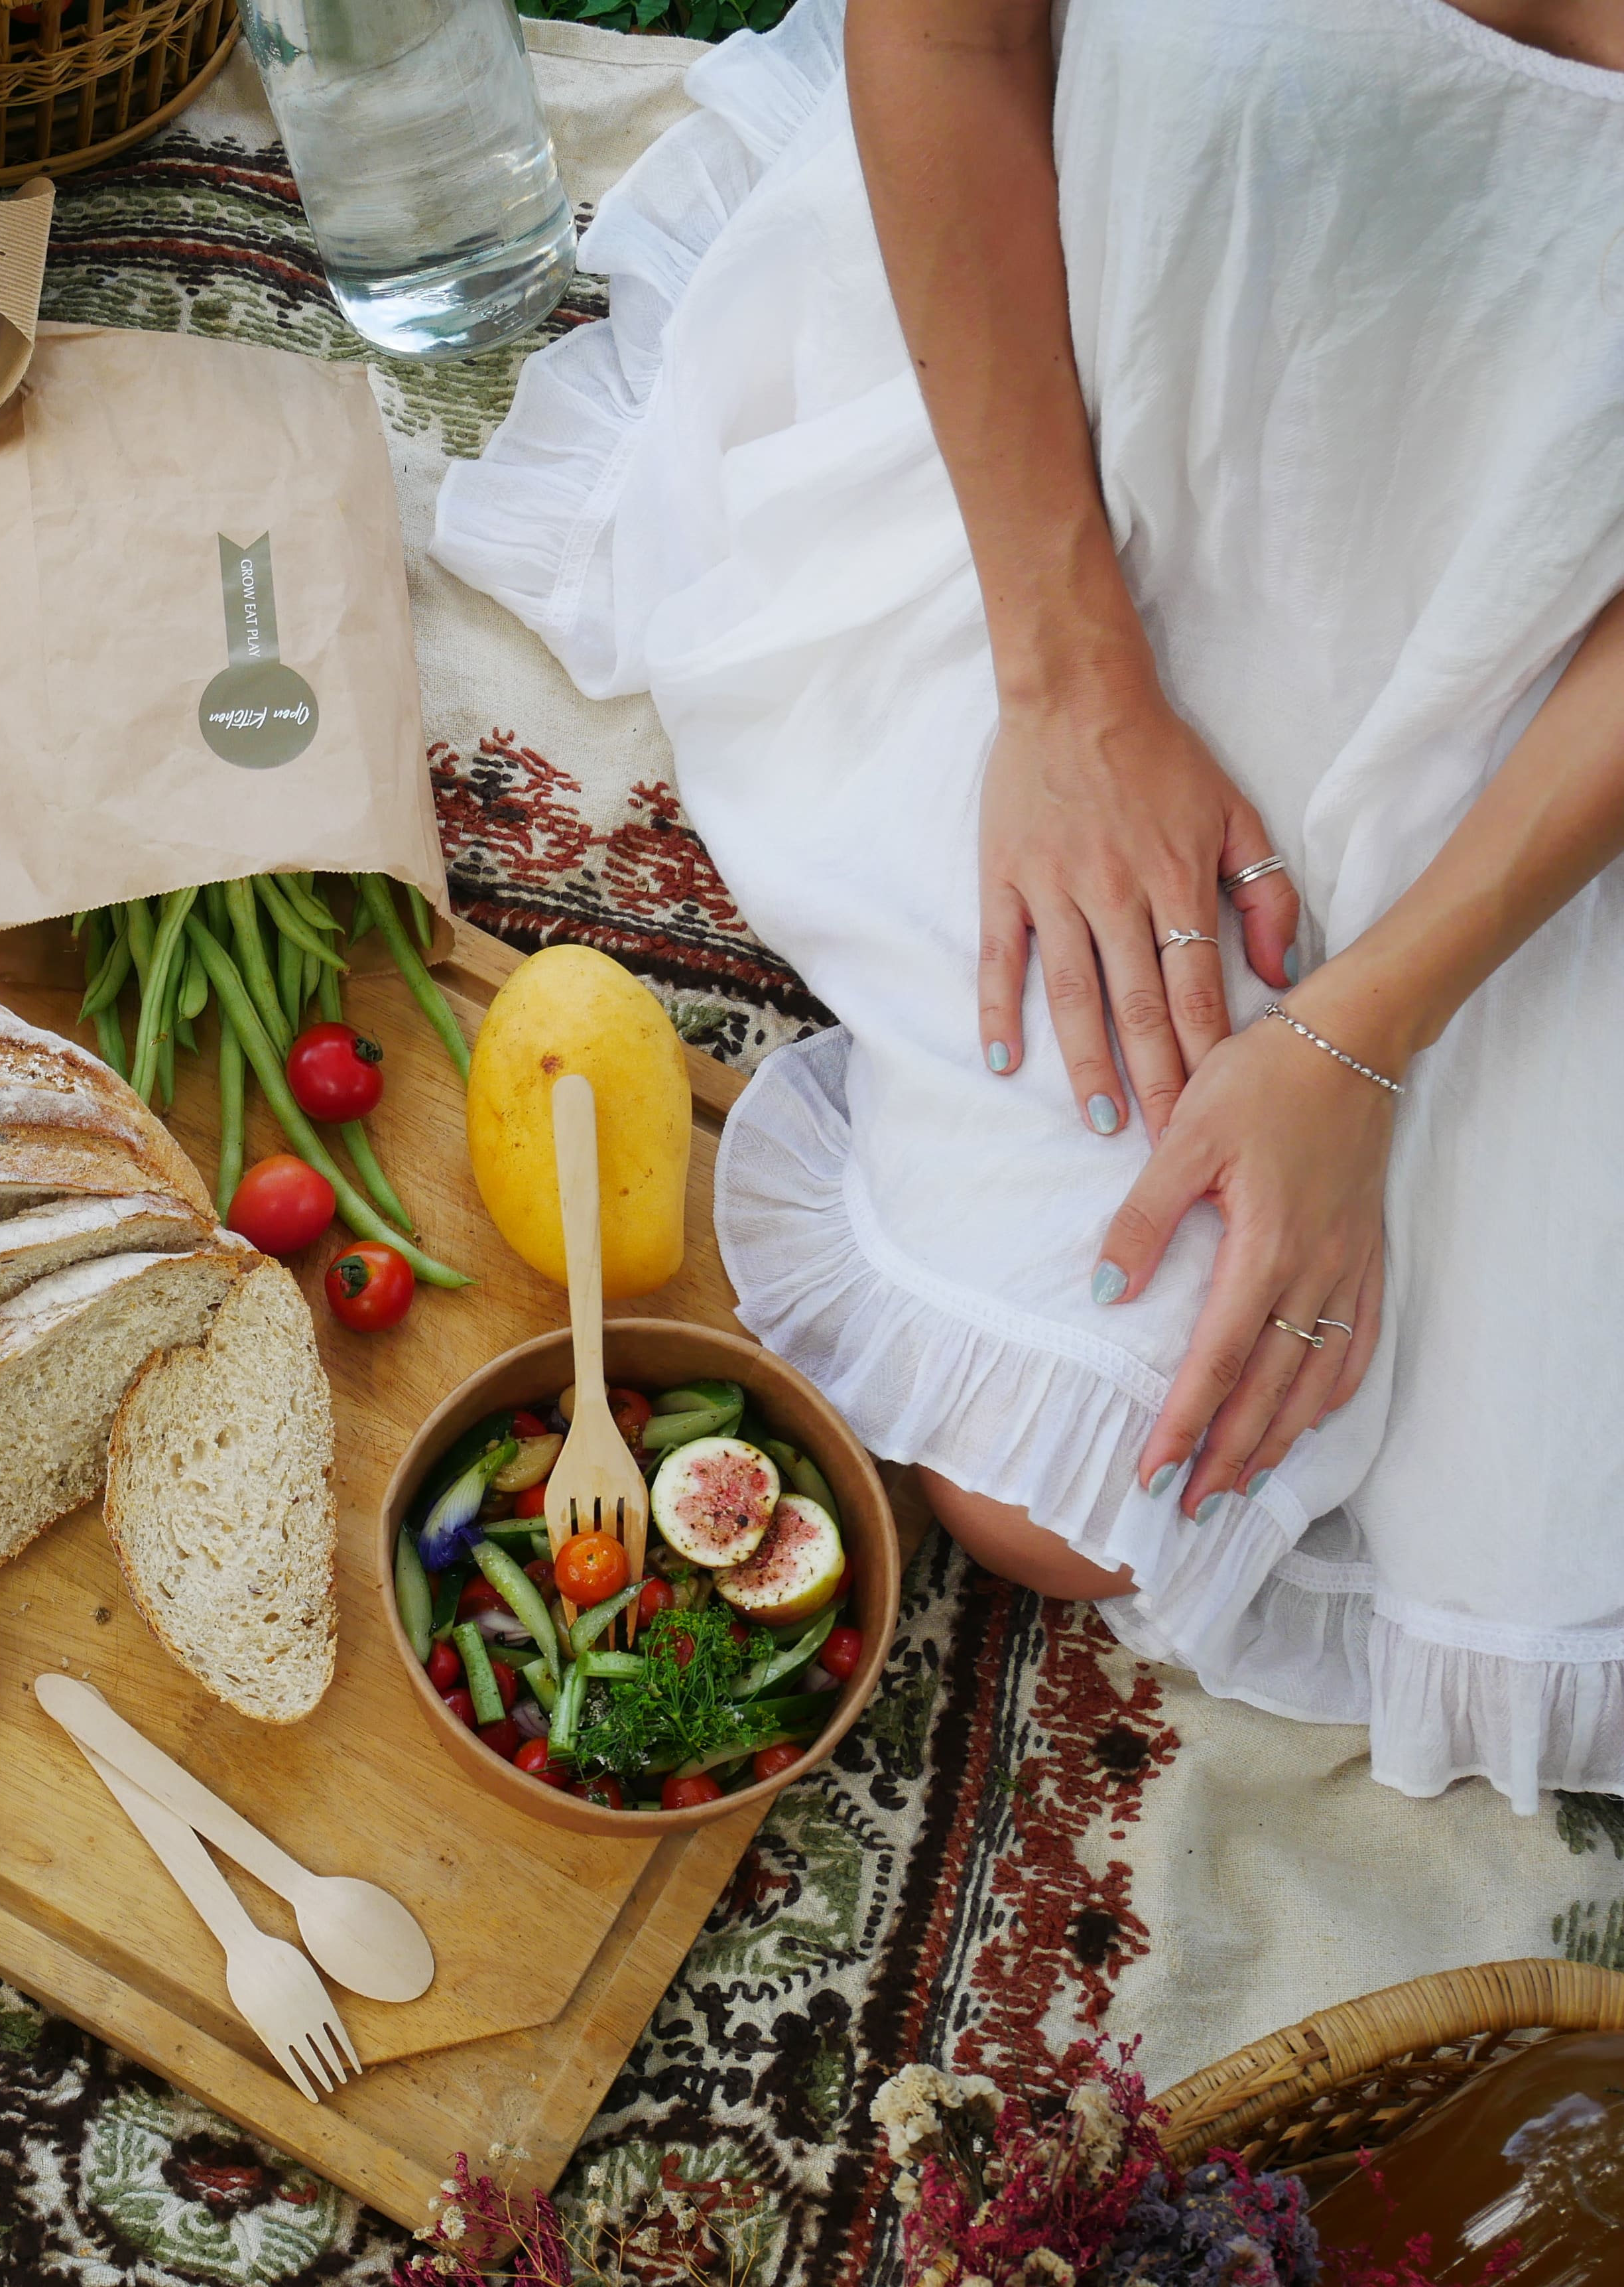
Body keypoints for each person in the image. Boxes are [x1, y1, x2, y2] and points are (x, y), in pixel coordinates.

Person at [434, 0, 1624, 1807]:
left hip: (1546, 700)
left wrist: (1360, 1037)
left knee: (1233, 1488)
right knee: (1048, 1500)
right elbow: (954, 37)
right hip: (1093, 489)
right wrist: (1074, 687)